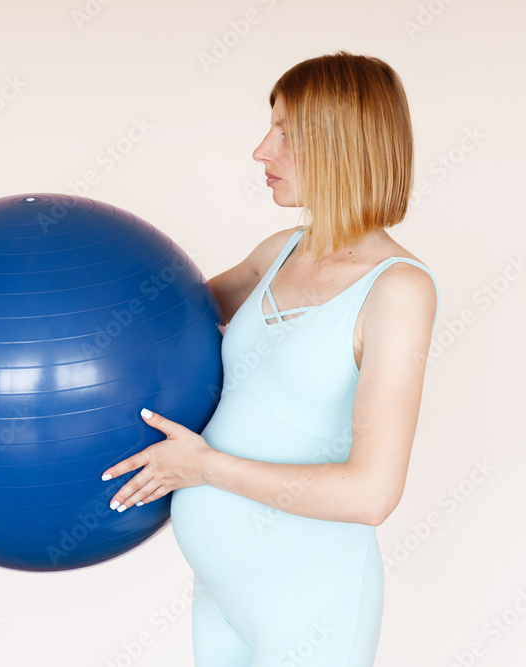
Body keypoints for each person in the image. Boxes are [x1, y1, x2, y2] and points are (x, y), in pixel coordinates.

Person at [100, 52, 438, 665]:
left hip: (314, 606)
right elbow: (160, 325)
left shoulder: (398, 289)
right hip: (222, 596)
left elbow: (371, 494)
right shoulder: (278, 252)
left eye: (285, 132)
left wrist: (205, 468)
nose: (261, 151)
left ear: (340, 142)